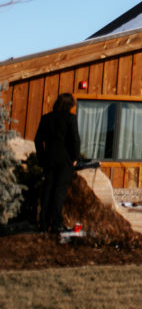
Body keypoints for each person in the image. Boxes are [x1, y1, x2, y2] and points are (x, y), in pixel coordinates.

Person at [34, 92, 81, 233]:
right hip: (64, 160)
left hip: (49, 158)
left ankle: (43, 222)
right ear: (69, 105)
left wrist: (41, 157)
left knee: (48, 190)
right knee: (59, 191)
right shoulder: (70, 119)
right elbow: (75, 140)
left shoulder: (46, 118)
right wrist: (75, 158)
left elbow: (38, 140)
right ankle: (56, 223)